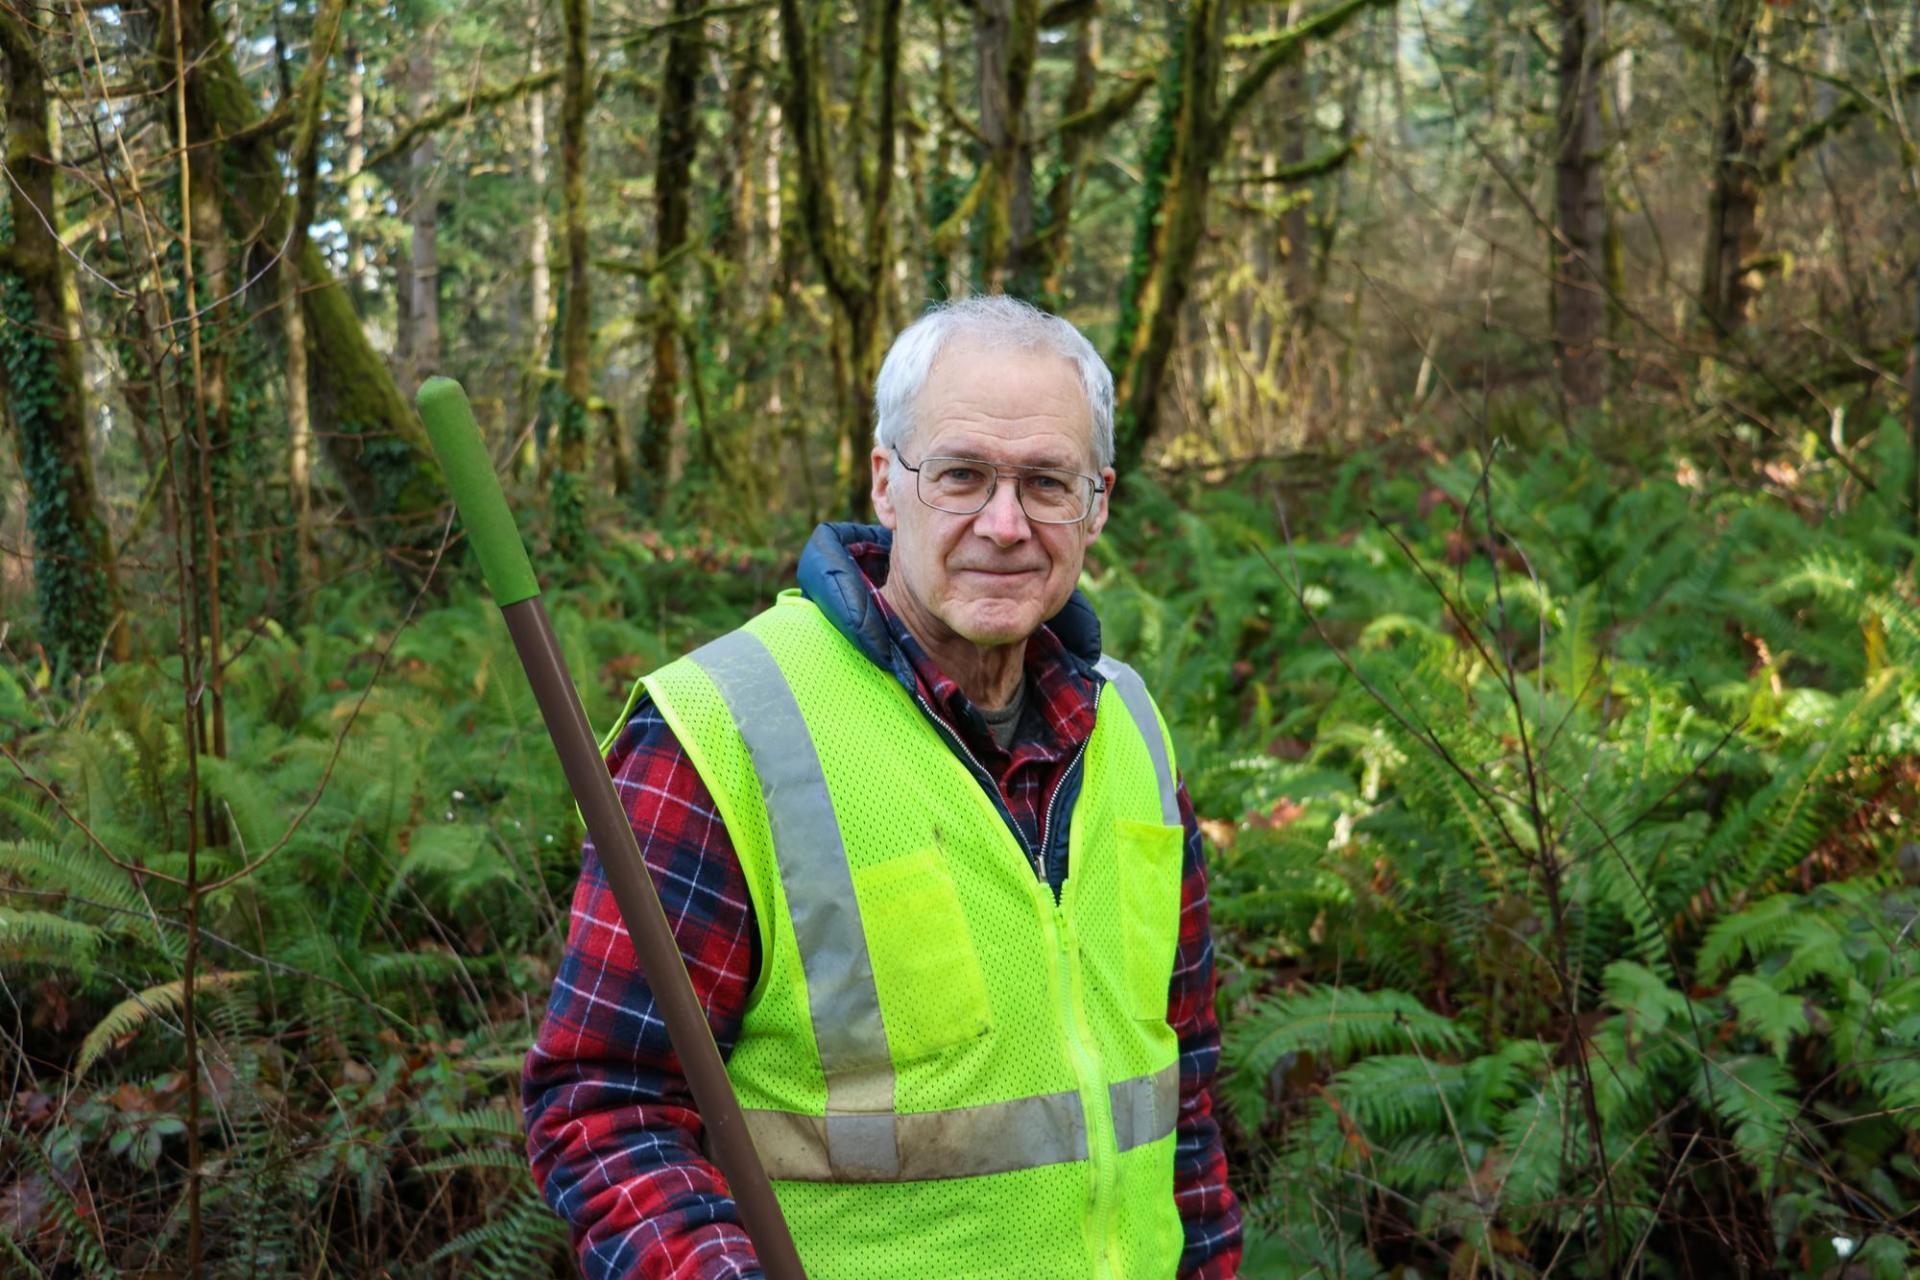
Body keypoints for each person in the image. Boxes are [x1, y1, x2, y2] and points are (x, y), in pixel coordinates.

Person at [523, 295, 1242, 1279]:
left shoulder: (1134, 732)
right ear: (885, 483)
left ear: (1099, 500)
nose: (1005, 523)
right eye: (961, 475)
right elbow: (604, 1100)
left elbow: (1184, 1090)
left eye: (1045, 482)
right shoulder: (728, 728)